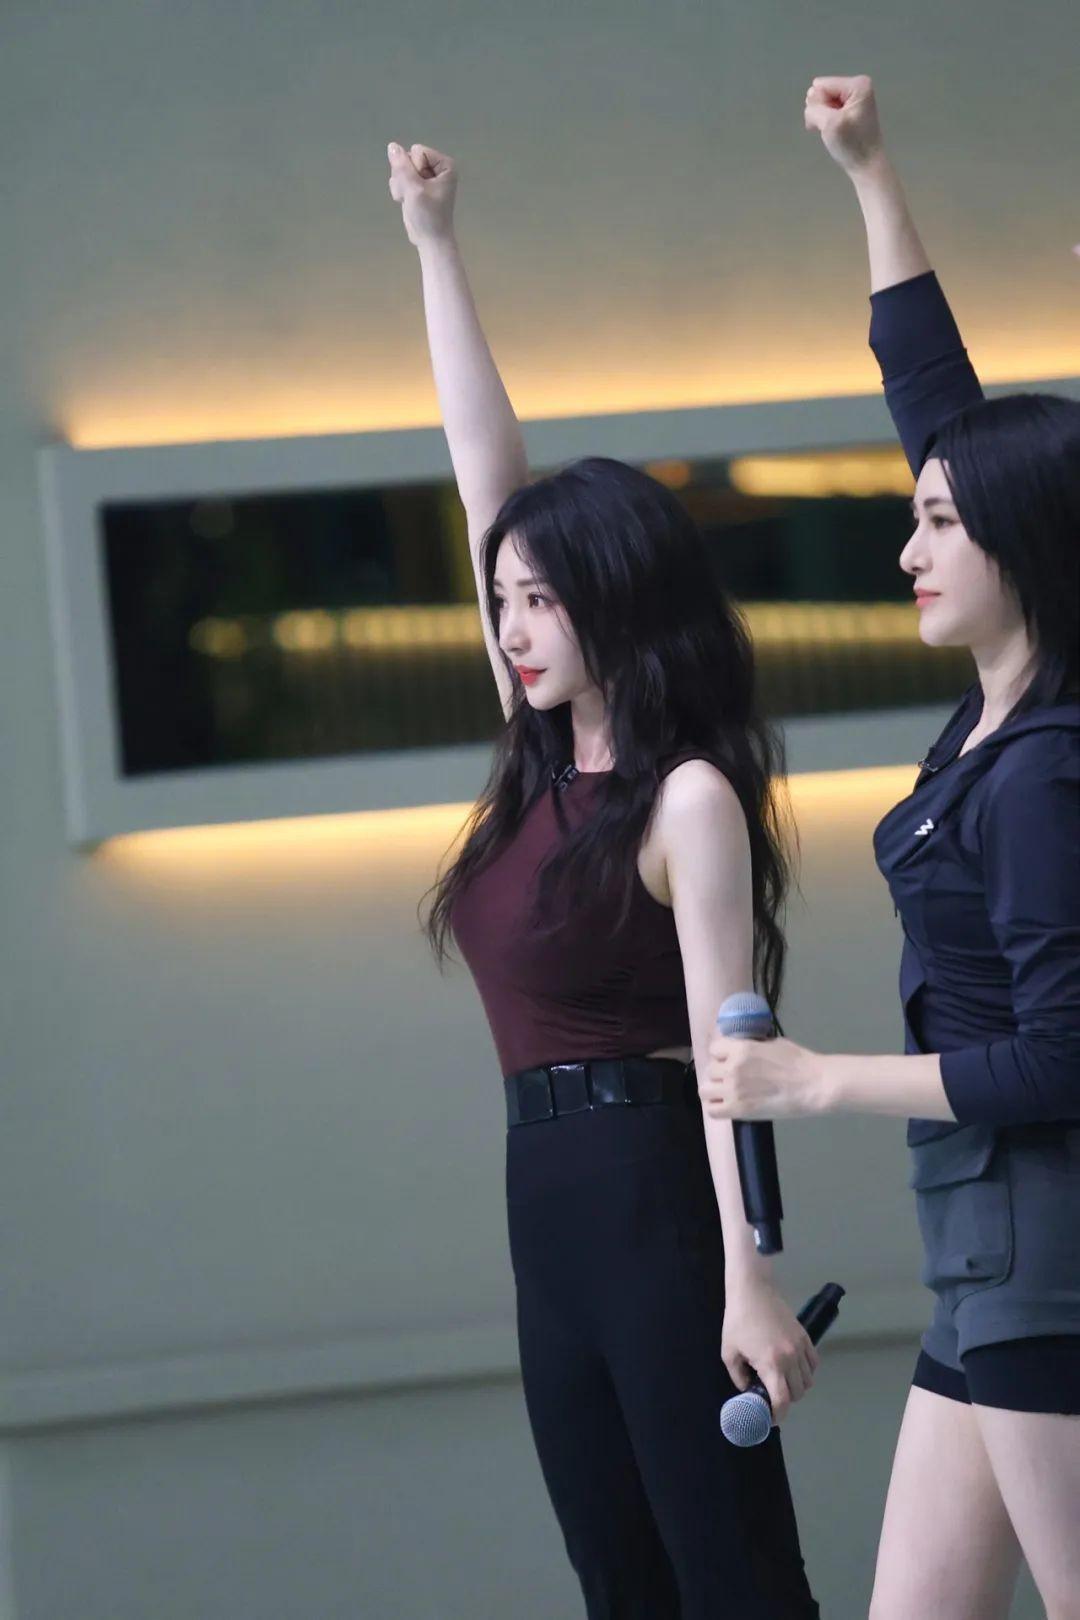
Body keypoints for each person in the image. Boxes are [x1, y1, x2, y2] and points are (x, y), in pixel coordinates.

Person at [387, 139, 821, 1617]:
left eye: (540, 599)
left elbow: (728, 1055)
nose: (510, 627)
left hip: (652, 1192)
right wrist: (435, 243)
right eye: (500, 599)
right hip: (545, 1202)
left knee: (730, 1574)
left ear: (616, 600)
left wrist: (751, 1277)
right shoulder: (530, 760)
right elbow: (484, 470)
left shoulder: (685, 796)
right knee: (616, 1580)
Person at [701, 76, 1080, 1620]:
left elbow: (1062, 1056)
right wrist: (868, 170)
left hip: (1051, 1252)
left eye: (937, 523)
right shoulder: (999, 709)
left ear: (1025, 543)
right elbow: (935, 392)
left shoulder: (1045, 772)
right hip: (980, 1249)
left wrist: (813, 1082)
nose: (906, 547)